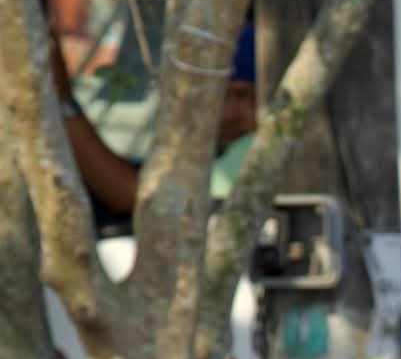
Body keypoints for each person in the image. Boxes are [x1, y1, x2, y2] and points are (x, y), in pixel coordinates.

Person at [48, 21, 258, 221]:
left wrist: (64, 104)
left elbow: (138, 198)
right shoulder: (207, 154)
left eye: (244, 96)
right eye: (218, 97)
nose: (229, 114)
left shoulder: (252, 151)